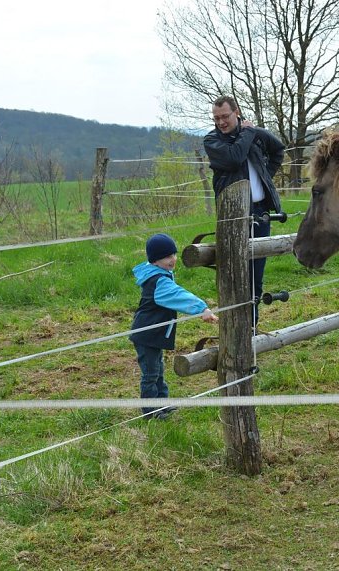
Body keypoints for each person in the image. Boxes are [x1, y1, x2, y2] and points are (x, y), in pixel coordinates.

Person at [203, 95, 285, 325]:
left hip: (260, 213)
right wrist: (248, 132)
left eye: (225, 116)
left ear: (236, 112)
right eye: (216, 118)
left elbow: (278, 149)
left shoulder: (254, 134)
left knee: (255, 275)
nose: (221, 122)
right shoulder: (213, 141)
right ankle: (236, 328)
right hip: (233, 217)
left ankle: (251, 329)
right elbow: (234, 158)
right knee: (235, 274)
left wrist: (265, 176)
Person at [130, 233, 218, 419]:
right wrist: (201, 308)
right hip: (147, 334)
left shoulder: (158, 273)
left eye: (174, 254)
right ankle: (151, 412)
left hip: (153, 333)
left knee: (158, 370)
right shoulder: (159, 281)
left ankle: (161, 404)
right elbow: (178, 295)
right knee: (151, 374)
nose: (173, 259)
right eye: (167, 256)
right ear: (154, 261)